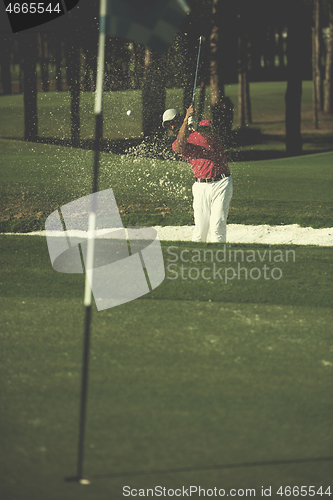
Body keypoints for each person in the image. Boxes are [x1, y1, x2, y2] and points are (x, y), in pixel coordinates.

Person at [162, 105, 233, 243]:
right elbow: (180, 147)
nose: (171, 127)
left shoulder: (204, 124)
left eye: (172, 122)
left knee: (217, 226)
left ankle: (218, 261)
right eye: (167, 126)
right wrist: (186, 123)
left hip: (222, 183)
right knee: (200, 231)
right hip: (200, 187)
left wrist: (197, 128)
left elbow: (210, 132)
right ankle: (197, 260)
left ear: (179, 117)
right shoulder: (177, 143)